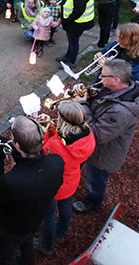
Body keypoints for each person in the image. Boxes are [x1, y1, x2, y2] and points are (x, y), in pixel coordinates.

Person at [72, 59, 139, 213]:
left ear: (116, 80)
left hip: (103, 153)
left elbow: (96, 134)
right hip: (98, 147)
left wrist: (82, 105)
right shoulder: (118, 89)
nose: (100, 77)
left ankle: (93, 201)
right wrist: (87, 96)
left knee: (96, 179)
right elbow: (102, 104)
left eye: (103, 75)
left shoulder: (120, 113)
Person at [0, 116, 64, 265]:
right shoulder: (57, 161)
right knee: (27, 243)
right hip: (35, 219)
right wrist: (17, 153)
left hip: (11, 227)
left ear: (18, 145)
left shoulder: (11, 181)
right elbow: (34, 166)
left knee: (3, 257)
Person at [35, 102, 95, 256]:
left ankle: (46, 245)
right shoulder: (88, 132)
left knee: (48, 215)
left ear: (64, 120)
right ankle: (60, 234)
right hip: (71, 180)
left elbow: (42, 152)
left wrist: (45, 132)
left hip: (54, 185)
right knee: (65, 207)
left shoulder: (56, 144)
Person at [56, 0, 95, 67]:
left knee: (73, 41)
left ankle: (71, 61)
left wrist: (66, 20)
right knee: (71, 40)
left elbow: (78, 11)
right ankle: (68, 56)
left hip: (78, 22)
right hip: (73, 21)